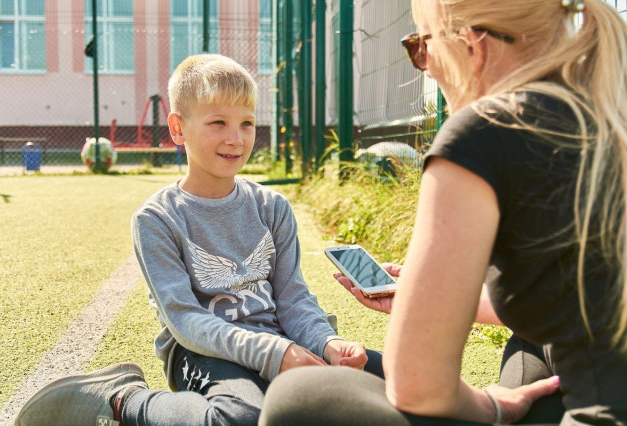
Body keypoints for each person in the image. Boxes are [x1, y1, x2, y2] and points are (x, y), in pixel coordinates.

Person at [259, 0, 627, 424]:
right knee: (527, 347)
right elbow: (571, 299)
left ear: (471, 44)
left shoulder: (487, 131)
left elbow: (417, 386)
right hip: (579, 371)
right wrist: (428, 296)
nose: (425, 67)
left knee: (299, 397)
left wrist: (493, 405)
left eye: (421, 45)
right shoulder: (603, 112)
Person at [15, 54, 377, 426]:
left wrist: (327, 343)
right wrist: (277, 354)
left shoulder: (273, 207)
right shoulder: (157, 219)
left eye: (246, 123)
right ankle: (124, 400)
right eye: (218, 122)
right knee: (242, 417)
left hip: (280, 340)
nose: (235, 138)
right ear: (177, 129)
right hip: (203, 351)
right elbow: (186, 321)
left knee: (393, 381)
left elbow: (293, 299)